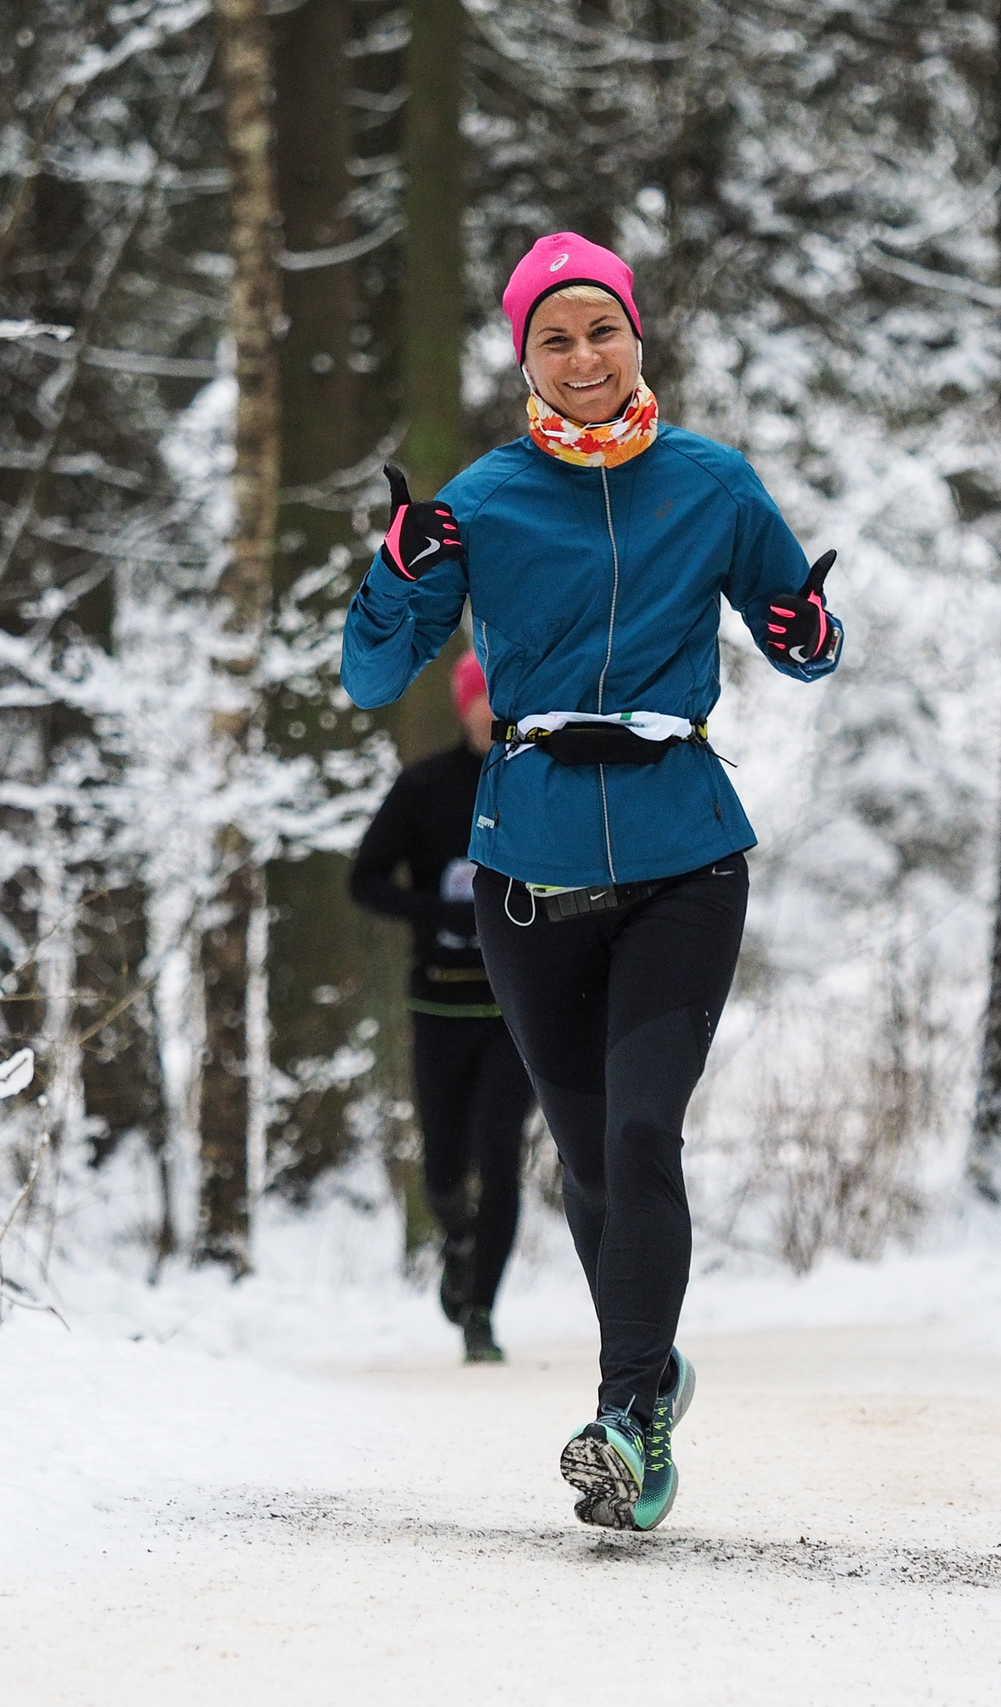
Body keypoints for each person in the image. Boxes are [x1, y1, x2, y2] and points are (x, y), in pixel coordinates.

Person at [340, 231, 844, 1532]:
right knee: (586, 1160)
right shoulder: (489, 498)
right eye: (553, 338)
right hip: (530, 866)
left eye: (600, 330)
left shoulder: (713, 483)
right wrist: (398, 571)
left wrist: (805, 631)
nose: (581, 358)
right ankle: (655, 1367)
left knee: (639, 1130)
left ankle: (627, 1415)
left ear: (637, 338)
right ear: (526, 357)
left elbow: (802, 639)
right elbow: (372, 674)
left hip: (685, 852)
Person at [348, 651, 536, 1365]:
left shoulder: (535, 786)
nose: (490, 711)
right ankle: (456, 1237)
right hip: (438, 1001)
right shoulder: (423, 787)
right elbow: (364, 879)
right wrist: (432, 911)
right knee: (443, 1172)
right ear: (461, 705)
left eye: (501, 698)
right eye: (479, 698)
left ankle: (481, 1312)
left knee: (501, 1152)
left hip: (516, 1008)